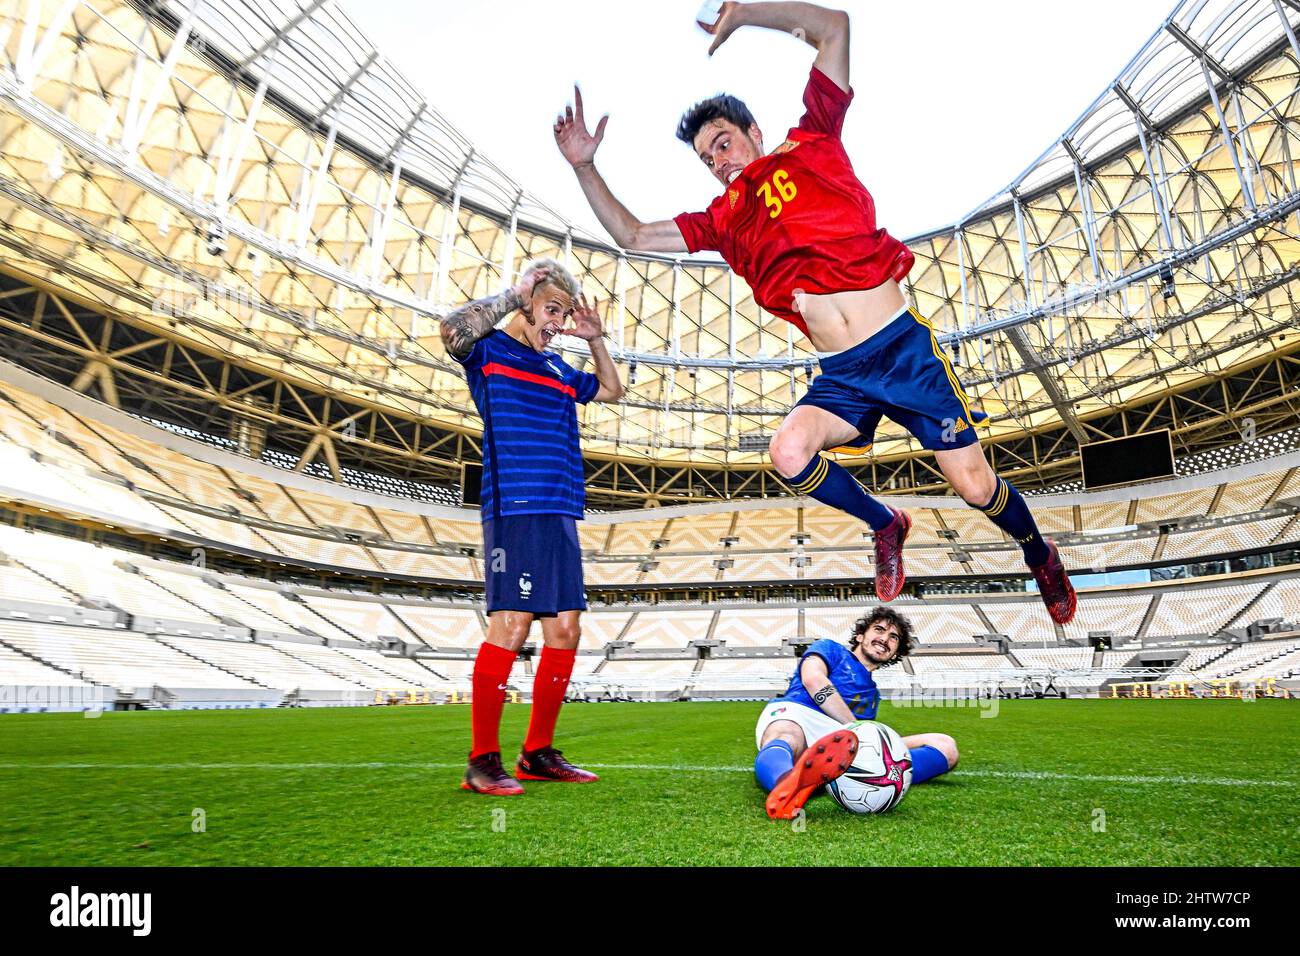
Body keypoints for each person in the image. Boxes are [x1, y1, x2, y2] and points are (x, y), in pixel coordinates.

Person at [552, 0, 1076, 625]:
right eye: (706, 159)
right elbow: (633, 235)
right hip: (841, 372)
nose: (718, 160)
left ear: (753, 132)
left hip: (902, 350)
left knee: (974, 486)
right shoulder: (722, 221)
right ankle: (886, 522)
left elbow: (836, 27)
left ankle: (1036, 550)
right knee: (789, 450)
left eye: (723, 142)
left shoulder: (812, 142)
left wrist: (746, 14)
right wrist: (586, 166)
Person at [439, 258, 625, 795]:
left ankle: (537, 753)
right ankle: (481, 760)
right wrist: (513, 293)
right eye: (552, 310)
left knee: (565, 629)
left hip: (561, 510)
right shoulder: (491, 352)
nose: (558, 322)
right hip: (515, 508)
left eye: (565, 313)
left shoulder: (562, 371)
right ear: (526, 304)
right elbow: (452, 331)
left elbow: (613, 391)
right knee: (513, 625)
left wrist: (593, 340)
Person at [753, 607, 958, 819]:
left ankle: (827, 777)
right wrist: (856, 729)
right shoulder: (830, 649)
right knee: (788, 735)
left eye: (893, 637)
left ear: (895, 652)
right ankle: (786, 783)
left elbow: (868, 738)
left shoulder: (873, 696)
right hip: (798, 714)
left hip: (842, 743)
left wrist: (875, 740)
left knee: (946, 747)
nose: (884, 638)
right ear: (860, 635)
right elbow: (813, 680)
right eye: (878, 629)